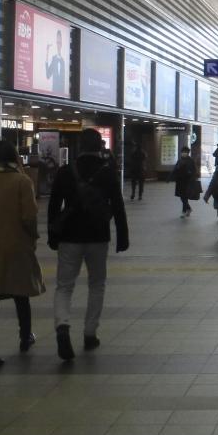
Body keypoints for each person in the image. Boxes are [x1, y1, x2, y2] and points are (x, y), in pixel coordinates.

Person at [47, 128, 129, 360]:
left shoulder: (65, 171)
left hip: (69, 236)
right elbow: (118, 205)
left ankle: (62, 326)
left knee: (64, 286)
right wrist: (122, 236)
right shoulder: (107, 172)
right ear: (100, 146)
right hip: (98, 235)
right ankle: (90, 333)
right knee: (97, 284)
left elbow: (54, 205)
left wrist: (52, 235)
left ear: (79, 146)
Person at [0, 140, 44, 371]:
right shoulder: (22, 181)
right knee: (21, 293)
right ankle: (25, 337)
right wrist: (33, 236)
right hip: (17, 244)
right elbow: (29, 216)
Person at [173, 147, 198, 217]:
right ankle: (188, 209)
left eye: (185, 152)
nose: (184, 153)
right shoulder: (180, 160)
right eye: (183, 152)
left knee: (184, 197)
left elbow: (194, 171)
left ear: (188, 153)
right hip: (180, 181)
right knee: (182, 197)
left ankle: (184, 211)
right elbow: (175, 169)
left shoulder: (190, 161)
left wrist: (191, 177)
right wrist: (171, 177)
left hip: (187, 182)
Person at [45, 29, 67, 95]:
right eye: (57, 42)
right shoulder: (54, 59)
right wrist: (47, 52)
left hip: (62, 94)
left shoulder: (63, 61)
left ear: (61, 44)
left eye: (59, 42)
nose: (58, 45)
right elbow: (48, 75)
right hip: (54, 93)